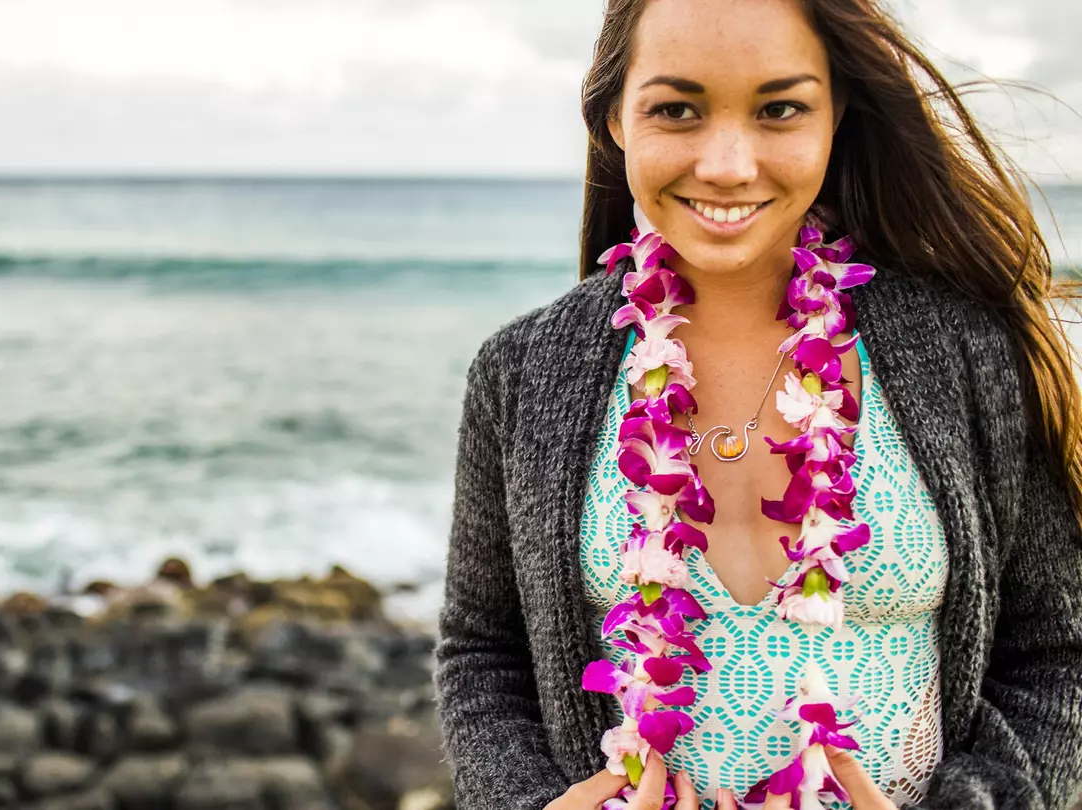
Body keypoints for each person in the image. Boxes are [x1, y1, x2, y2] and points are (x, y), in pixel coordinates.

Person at [431, 0, 1082, 808]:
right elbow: (483, 652)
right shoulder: (525, 373)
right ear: (613, 121)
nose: (729, 164)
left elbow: (1059, 654)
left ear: (836, 115)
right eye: (677, 110)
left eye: (780, 109)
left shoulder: (966, 353)